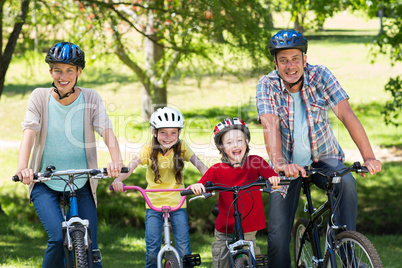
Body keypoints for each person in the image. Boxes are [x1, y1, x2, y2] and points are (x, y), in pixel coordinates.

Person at [256, 29, 382, 267]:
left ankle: (347, 258)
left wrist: (368, 157)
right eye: (283, 60)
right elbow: (269, 124)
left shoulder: (320, 75)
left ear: (305, 59)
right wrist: (280, 164)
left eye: (295, 59)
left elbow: (345, 114)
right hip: (287, 164)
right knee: (278, 237)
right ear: (275, 63)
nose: (290, 65)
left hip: (324, 157)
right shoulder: (267, 85)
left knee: (346, 183)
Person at [15, 42, 124, 268]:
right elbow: (29, 132)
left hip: (81, 180)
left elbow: (106, 130)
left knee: (89, 247)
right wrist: (23, 168)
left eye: (69, 70)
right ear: (50, 71)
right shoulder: (39, 97)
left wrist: (117, 161)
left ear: (79, 72)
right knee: (57, 238)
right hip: (45, 181)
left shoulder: (91, 98)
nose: (63, 76)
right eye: (57, 70)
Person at [112, 107, 208, 268]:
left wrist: (206, 182)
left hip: (177, 201)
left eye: (173, 132)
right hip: (153, 204)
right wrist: (118, 180)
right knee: (152, 250)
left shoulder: (182, 147)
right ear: (154, 132)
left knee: (184, 250)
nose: (168, 137)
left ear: (179, 133)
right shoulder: (148, 149)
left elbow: (201, 166)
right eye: (163, 132)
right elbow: (130, 167)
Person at [190, 118, 280, 268]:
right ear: (222, 148)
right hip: (225, 229)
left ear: (246, 143)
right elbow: (202, 183)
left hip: (249, 228)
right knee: (222, 261)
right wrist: (197, 186)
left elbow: (270, 175)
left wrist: (273, 178)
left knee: (252, 259)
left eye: (240, 140)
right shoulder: (217, 170)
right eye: (229, 142)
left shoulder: (256, 162)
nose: (236, 145)